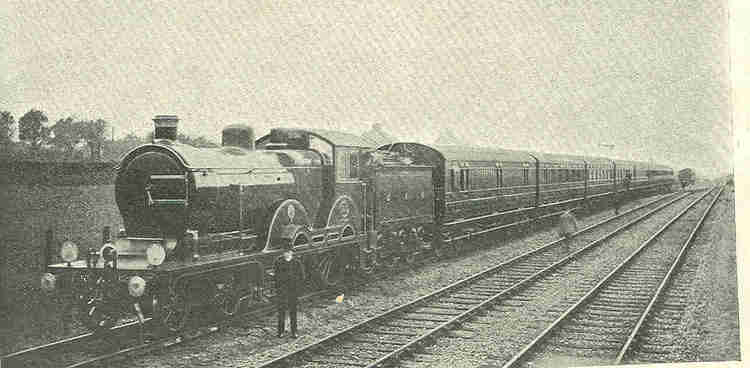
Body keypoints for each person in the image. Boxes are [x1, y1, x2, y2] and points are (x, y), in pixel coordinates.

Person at [274, 245, 305, 338]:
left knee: (293, 311)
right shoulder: (279, 262)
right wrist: (279, 287)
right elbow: (276, 276)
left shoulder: (297, 263)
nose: (286, 253)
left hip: (293, 290)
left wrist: (297, 288)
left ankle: (294, 331)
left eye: (288, 252)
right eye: (285, 252)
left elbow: (302, 276)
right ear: (283, 253)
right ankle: (280, 332)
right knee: (281, 311)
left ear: (292, 252)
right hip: (282, 290)